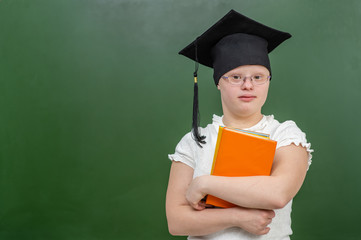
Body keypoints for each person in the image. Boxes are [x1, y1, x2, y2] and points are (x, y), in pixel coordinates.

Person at [166, 9, 313, 240]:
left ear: (268, 82)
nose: (248, 85)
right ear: (218, 83)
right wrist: (237, 217)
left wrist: (204, 184)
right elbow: (177, 222)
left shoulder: (285, 134)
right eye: (235, 77)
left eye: (258, 77)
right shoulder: (195, 141)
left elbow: (277, 193)